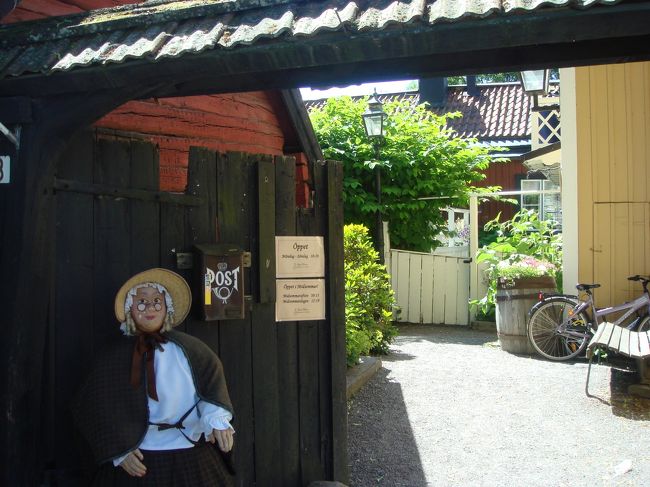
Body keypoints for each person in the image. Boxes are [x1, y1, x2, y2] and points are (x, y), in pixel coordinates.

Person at [72, 268, 235, 486]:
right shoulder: (112, 358)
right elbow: (94, 407)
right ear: (130, 308)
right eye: (142, 301)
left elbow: (211, 389)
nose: (150, 307)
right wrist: (118, 450)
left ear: (167, 307)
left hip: (191, 453)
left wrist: (216, 420)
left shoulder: (192, 350)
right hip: (139, 458)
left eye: (157, 301)